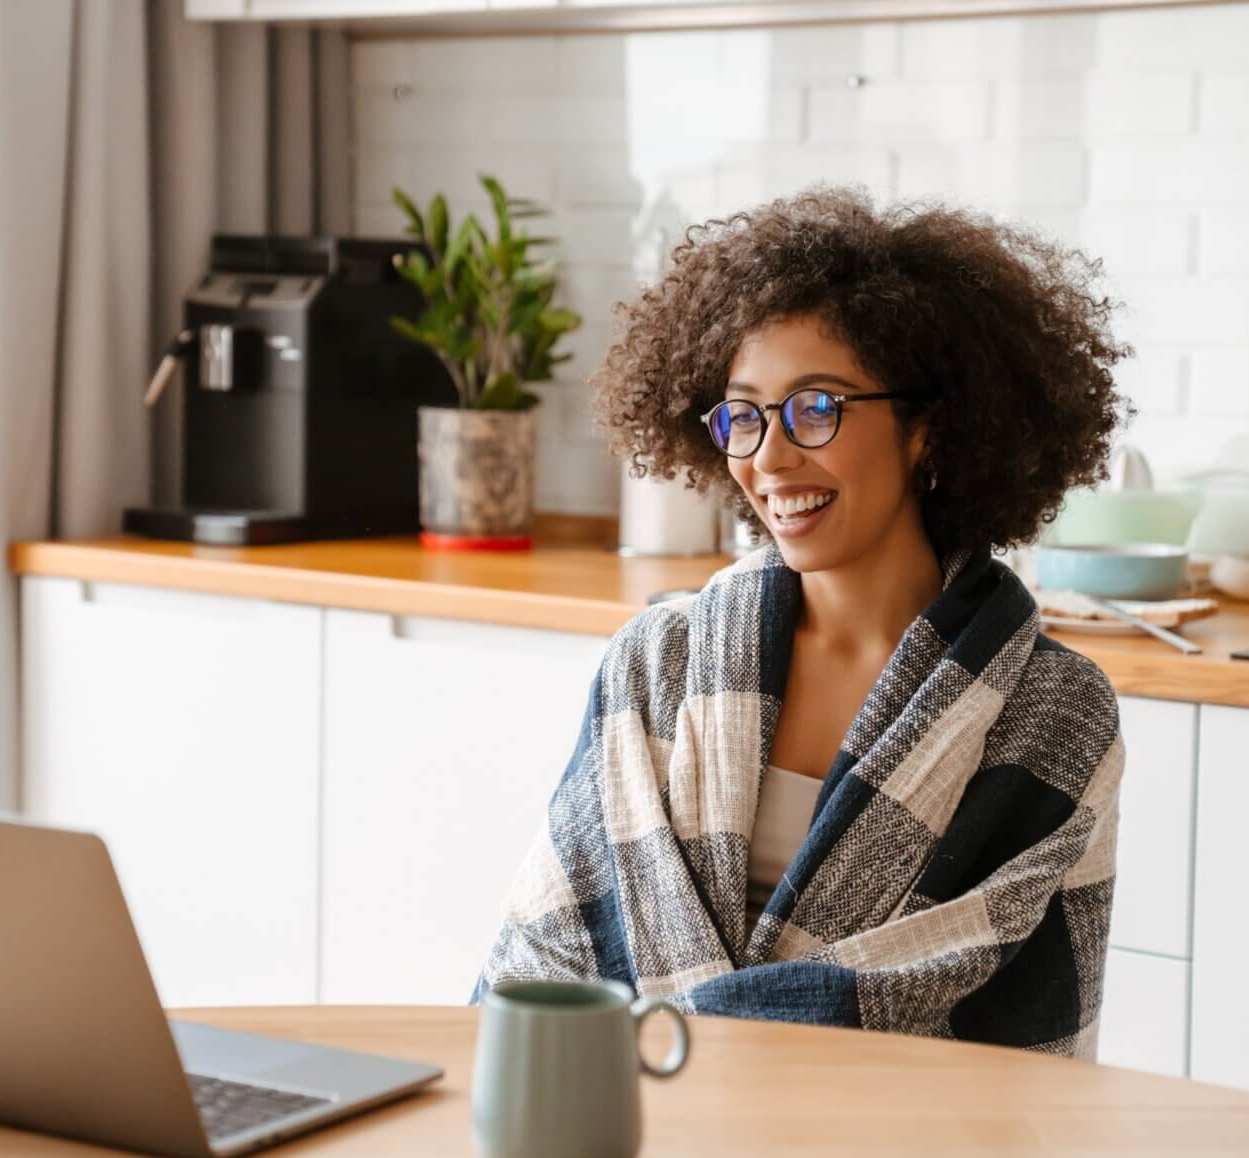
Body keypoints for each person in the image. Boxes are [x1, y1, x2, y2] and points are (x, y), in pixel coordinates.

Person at [476, 185, 1130, 1058]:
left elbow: (1008, 1021)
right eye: (743, 415)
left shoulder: (1053, 710)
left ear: (925, 428)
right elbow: (549, 951)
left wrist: (693, 1049)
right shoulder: (658, 663)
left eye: (816, 408)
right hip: (640, 1138)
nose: (771, 458)